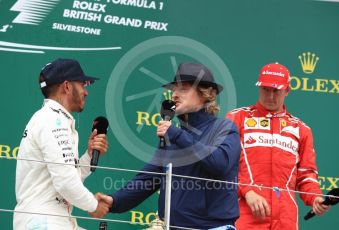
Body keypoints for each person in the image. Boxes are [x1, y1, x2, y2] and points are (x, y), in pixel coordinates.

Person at [97, 62, 241, 229]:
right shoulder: (173, 136)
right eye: (174, 90)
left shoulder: (224, 129)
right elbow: (147, 180)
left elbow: (219, 163)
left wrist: (177, 134)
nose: (175, 95)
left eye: (183, 89)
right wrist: (114, 201)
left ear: (205, 94)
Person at [226, 63, 330, 230]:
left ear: (287, 91)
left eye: (276, 91)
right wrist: (247, 191)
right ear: (259, 88)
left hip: (285, 218)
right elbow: (224, 167)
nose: (270, 96)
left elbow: (306, 176)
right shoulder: (237, 118)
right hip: (244, 213)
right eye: (266, 89)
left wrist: (315, 197)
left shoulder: (301, 129)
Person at [14, 58, 110, 230]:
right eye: (83, 84)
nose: (86, 92)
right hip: (44, 220)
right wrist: (94, 206)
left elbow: (67, 178)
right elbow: (65, 183)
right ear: (67, 86)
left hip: (51, 218)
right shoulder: (53, 121)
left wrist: (88, 156)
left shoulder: (52, 119)